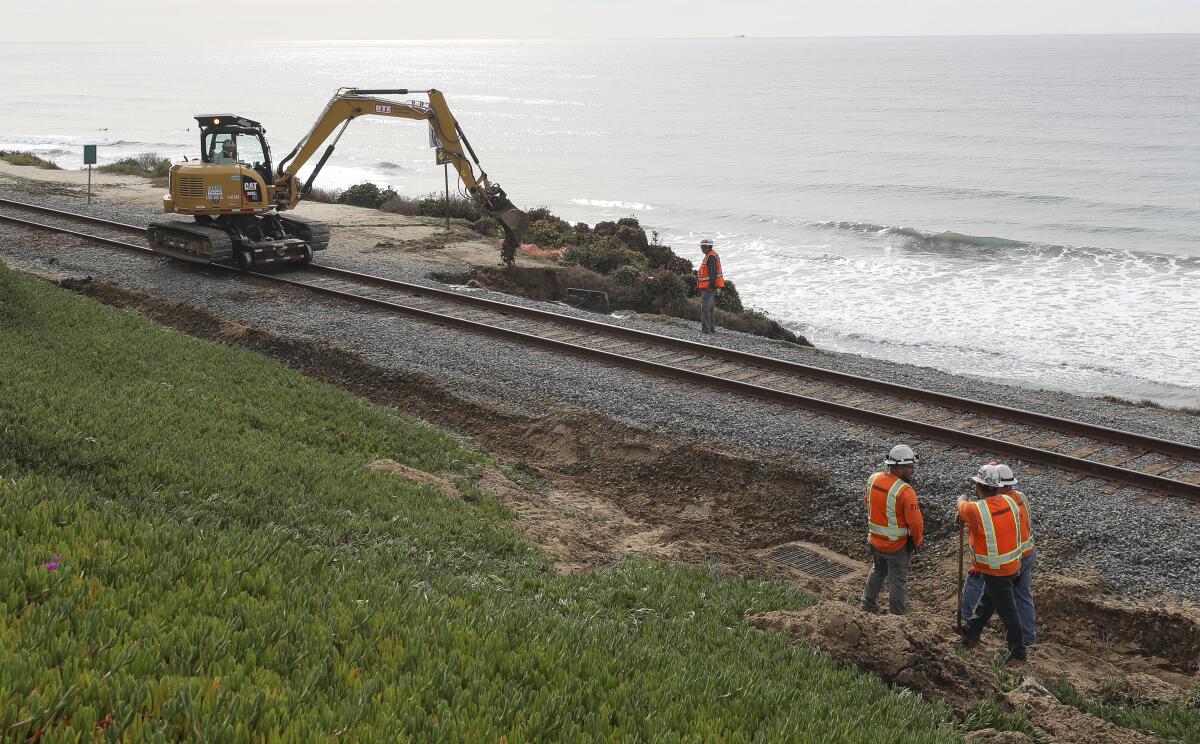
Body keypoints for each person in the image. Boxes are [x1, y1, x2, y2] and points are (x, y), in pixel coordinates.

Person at [958, 463, 1037, 646]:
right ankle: (1028, 639)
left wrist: (980, 565)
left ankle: (966, 619)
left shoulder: (990, 507)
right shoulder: (1017, 498)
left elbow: (990, 527)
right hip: (1023, 556)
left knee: (982, 587)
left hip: (1003, 562)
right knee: (1008, 597)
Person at [860, 444, 924, 615]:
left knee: (878, 570)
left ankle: (867, 605)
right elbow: (916, 523)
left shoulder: (873, 479)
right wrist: (917, 542)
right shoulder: (906, 491)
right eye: (910, 467)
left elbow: (868, 502)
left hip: (874, 541)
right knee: (898, 581)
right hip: (896, 547)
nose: (912, 471)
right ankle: (897, 618)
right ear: (899, 467)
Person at [695, 238, 724, 335]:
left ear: (707, 246)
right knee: (710, 308)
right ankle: (711, 329)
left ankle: (706, 331)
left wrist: (710, 286)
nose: (701, 248)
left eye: (702, 246)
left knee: (706, 308)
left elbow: (713, 273)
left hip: (708, 287)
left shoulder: (711, 256)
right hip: (708, 287)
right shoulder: (710, 255)